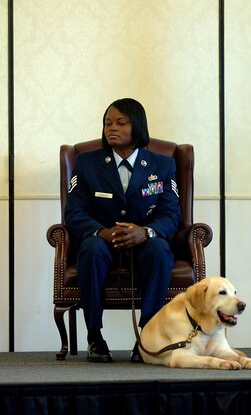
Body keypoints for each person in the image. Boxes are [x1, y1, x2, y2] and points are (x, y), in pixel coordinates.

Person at [65, 98, 181, 363]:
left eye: (120, 122)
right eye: (107, 123)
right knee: (91, 248)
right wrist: (100, 232)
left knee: (160, 249)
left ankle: (147, 336)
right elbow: (75, 212)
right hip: (104, 242)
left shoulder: (162, 166)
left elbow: (171, 214)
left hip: (143, 241)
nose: (111, 128)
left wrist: (147, 231)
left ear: (137, 126)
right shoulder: (87, 163)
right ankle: (94, 337)